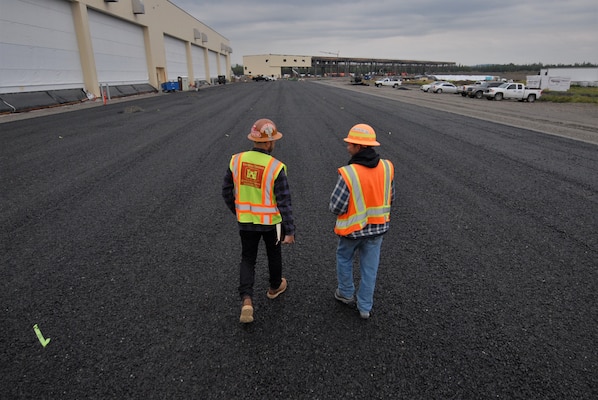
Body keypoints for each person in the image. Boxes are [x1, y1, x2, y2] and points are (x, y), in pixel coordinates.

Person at [222, 118, 295, 324]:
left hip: (245, 221)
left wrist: (237, 210)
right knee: (274, 253)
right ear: (270, 142)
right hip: (271, 223)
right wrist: (289, 230)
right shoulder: (276, 167)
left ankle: (246, 300)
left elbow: (226, 191)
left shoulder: (236, 160)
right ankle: (274, 287)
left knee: (248, 259)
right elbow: (284, 201)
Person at [329, 123, 395, 319]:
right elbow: (390, 197)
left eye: (350, 144)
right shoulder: (387, 167)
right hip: (378, 229)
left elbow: (336, 206)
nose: (348, 146)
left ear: (359, 147)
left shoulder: (349, 173)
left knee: (344, 258)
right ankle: (365, 307)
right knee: (370, 267)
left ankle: (346, 293)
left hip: (353, 230)